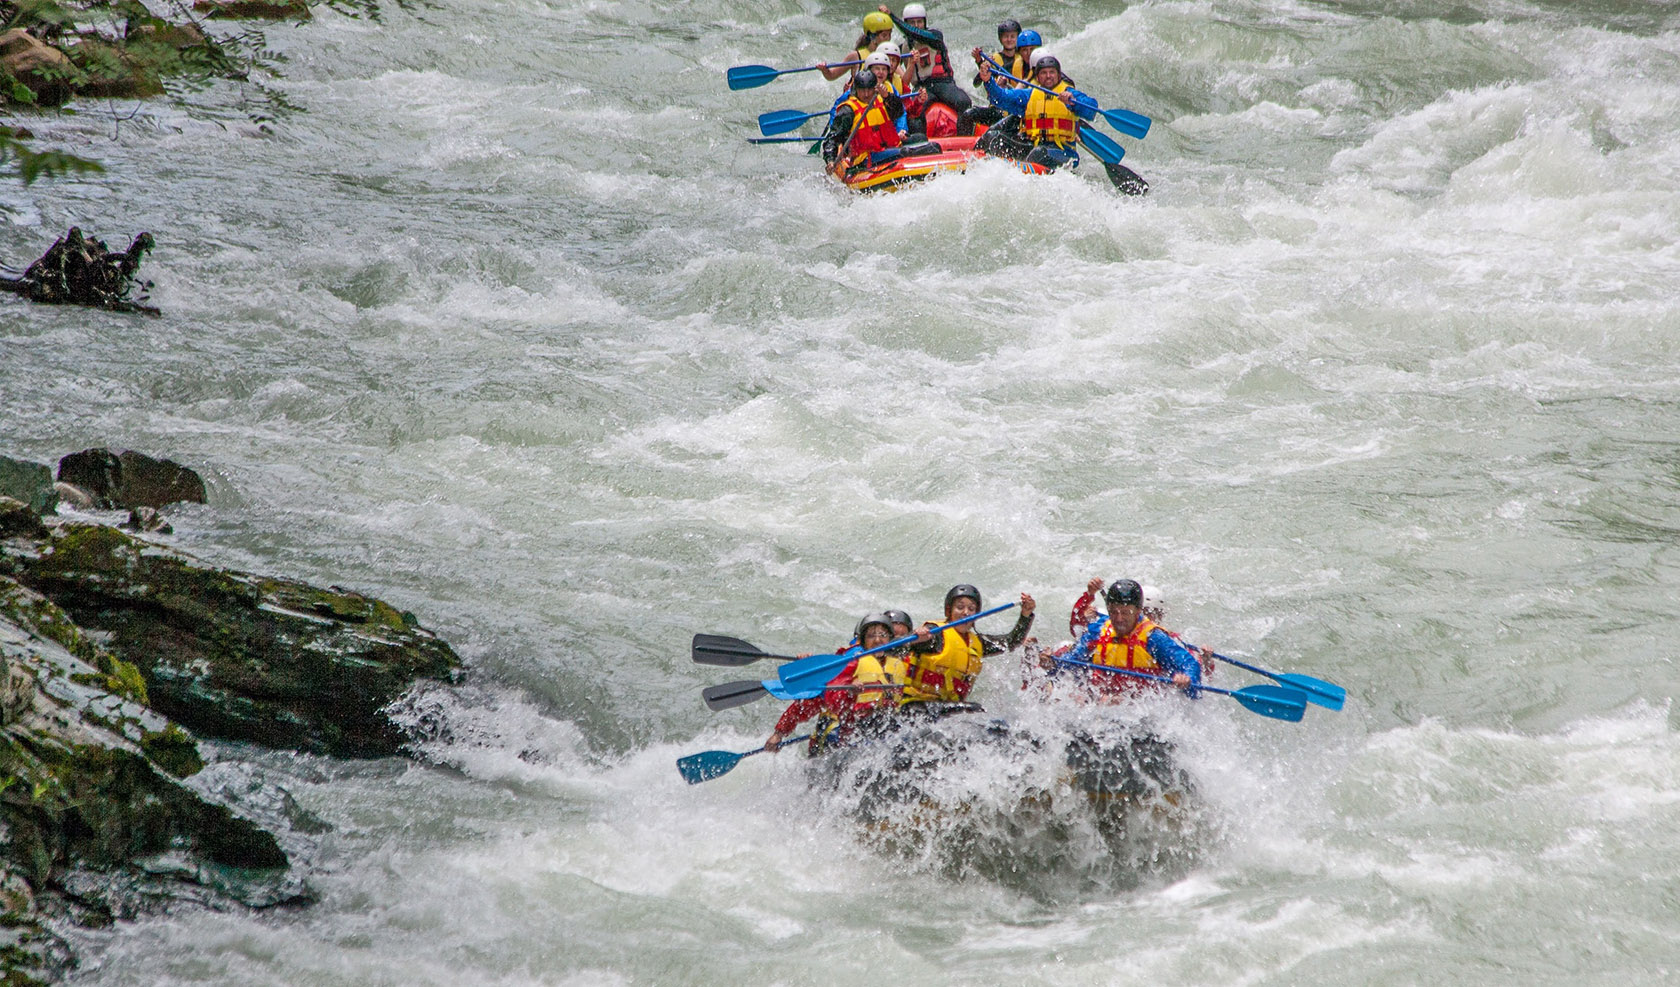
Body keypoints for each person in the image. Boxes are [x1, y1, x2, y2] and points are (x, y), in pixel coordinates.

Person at [973, 50, 1147, 194]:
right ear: (1038, 77)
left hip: (1063, 153)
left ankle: (1021, 182)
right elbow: (1001, 99)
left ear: (1058, 75)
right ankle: (973, 173)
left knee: (1038, 154)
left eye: (1052, 73)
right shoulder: (1029, 95)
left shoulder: (1070, 93)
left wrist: (1072, 102)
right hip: (1033, 146)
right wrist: (988, 81)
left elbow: (1091, 108)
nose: (1048, 76)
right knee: (994, 138)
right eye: (1044, 73)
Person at [764, 612, 901, 752]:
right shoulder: (850, 661)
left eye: (883, 635)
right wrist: (779, 733)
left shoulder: (894, 663)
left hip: (871, 729)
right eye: (871, 636)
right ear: (863, 640)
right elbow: (814, 700)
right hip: (838, 735)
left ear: (890, 639)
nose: (878, 640)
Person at [1055, 579, 1201, 700]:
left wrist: (1187, 679)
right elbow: (1070, 662)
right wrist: (1052, 665)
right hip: (1102, 705)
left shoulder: (1154, 638)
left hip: (1140, 709)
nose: (1119, 619)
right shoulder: (1098, 631)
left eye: (1125, 613)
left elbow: (1190, 664)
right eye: (1114, 612)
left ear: (1138, 611)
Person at [895, 584, 1035, 702]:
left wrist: (1026, 615)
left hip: (950, 709)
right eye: (960, 607)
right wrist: (915, 639)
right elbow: (896, 647)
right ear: (949, 611)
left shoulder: (978, 643)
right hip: (916, 704)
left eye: (971, 609)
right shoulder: (935, 633)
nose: (966, 612)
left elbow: (1011, 642)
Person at [879, 3, 974, 135]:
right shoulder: (903, 47)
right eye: (912, 22)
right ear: (907, 23)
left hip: (943, 84)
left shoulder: (935, 36)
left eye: (919, 21)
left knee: (964, 102)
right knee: (914, 113)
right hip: (922, 87)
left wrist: (892, 16)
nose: (916, 25)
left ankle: (965, 139)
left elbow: (915, 33)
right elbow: (887, 63)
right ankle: (919, 143)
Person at [820, 71, 903, 179]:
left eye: (869, 89)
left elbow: (899, 112)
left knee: (921, 139)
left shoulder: (882, 100)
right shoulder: (848, 111)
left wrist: (887, 96)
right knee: (905, 152)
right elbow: (832, 138)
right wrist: (830, 160)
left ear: (875, 88)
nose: (866, 94)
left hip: (888, 149)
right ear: (856, 89)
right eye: (862, 90)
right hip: (865, 158)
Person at [817, 11, 896, 81]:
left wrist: (909, 64)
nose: (888, 39)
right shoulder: (855, 56)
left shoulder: (890, 57)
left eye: (890, 34)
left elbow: (904, 79)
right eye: (884, 35)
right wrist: (825, 70)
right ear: (872, 36)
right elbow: (832, 75)